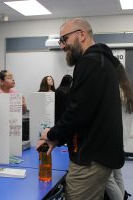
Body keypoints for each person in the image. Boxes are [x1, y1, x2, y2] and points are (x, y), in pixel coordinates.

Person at [37, 18, 125, 200]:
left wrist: (52, 134)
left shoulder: (89, 63)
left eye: (64, 39)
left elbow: (77, 113)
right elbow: (86, 110)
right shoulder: (102, 61)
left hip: (89, 159)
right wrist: (58, 138)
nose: (62, 46)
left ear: (82, 35)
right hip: (99, 154)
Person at [104, 47, 133, 200]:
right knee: (117, 175)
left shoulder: (116, 91)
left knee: (107, 178)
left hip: (113, 139)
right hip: (122, 139)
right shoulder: (128, 91)